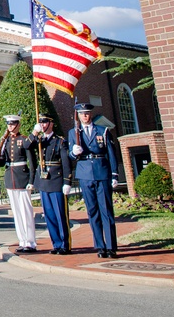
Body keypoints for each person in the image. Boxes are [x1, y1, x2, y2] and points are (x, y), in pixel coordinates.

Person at [69, 102, 119, 258]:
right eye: (82, 113)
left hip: (101, 171)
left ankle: (111, 246)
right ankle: (100, 246)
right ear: (78, 115)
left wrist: (114, 174)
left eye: (87, 113)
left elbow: (111, 152)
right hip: (85, 173)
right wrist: (73, 153)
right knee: (92, 212)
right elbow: (70, 155)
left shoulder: (102, 131)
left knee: (106, 211)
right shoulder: (73, 133)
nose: (85, 116)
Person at [26, 114, 72, 254]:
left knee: (60, 215)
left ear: (51, 123)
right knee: (50, 216)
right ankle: (56, 244)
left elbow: (66, 162)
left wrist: (67, 181)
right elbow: (27, 146)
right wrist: (34, 132)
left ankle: (65, 245)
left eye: (45, 122)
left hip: (56, 181)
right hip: (44, 182)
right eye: (41, 122)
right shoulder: (39, 140)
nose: (43, 125)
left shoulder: (60, 141)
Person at [0, 115, 37, 253]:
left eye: (13, 124)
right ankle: (22, 240)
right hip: (10, 178)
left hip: (22, 178)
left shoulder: (23, 140)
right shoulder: (5, 141)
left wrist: (31, 180)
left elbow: (32, 162)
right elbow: (4, 161)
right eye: (9, 124)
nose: (10, 127)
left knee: (26, 212)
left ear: (18, 125)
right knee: (17, 213)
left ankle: (30, 242)